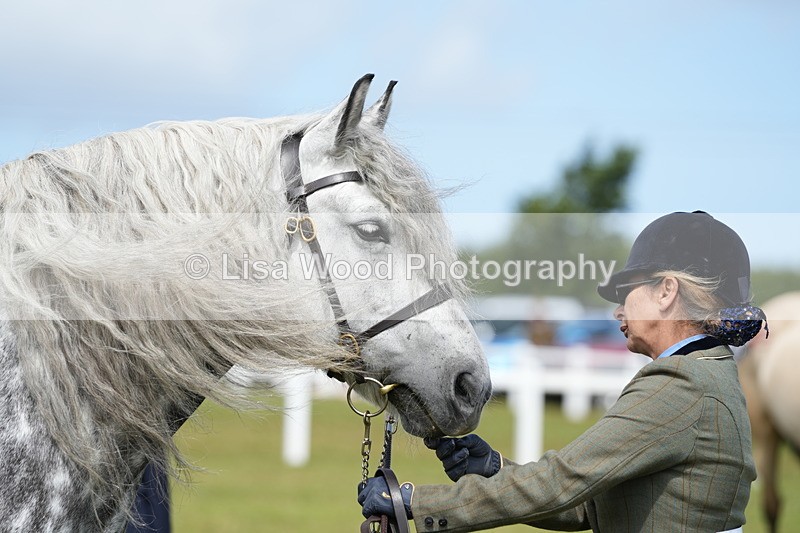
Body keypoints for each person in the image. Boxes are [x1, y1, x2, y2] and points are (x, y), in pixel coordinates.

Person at [358, 211, 766, 532]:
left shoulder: (682, 383)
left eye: (627, 292)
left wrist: (414, 503)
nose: (618, 310)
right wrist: (495, 469)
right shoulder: (708, 371)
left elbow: (562, 481)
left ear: (666, 291)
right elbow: (590, 506)